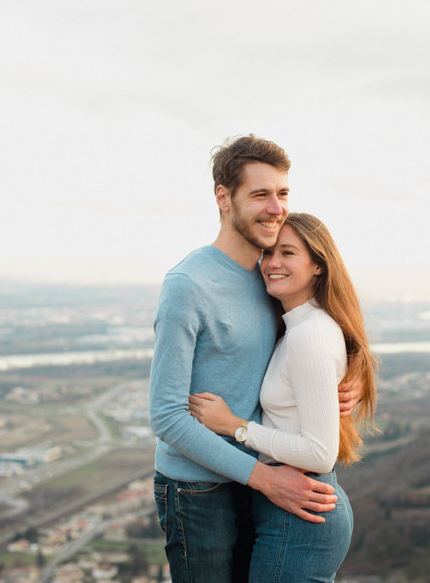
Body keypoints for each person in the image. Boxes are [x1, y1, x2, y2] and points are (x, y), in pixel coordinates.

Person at [149, 136, 360, 583]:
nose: (275, 207)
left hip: (259, 480)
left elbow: (312, 341)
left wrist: (350, 378)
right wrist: (261, 478)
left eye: (282, 193)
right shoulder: (188, 285)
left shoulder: (270, 278)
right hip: (199, 488)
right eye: (260, 194)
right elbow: (167, 416)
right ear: (223, 198)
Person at [189, 212, 378, 583]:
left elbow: (320, 451)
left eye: (287, 253)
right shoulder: (297, 326)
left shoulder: (311, 334)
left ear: (318, 266)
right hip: (292, 508)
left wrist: (235, 427)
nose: (272, 263)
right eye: (269, 253)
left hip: (300, 515)